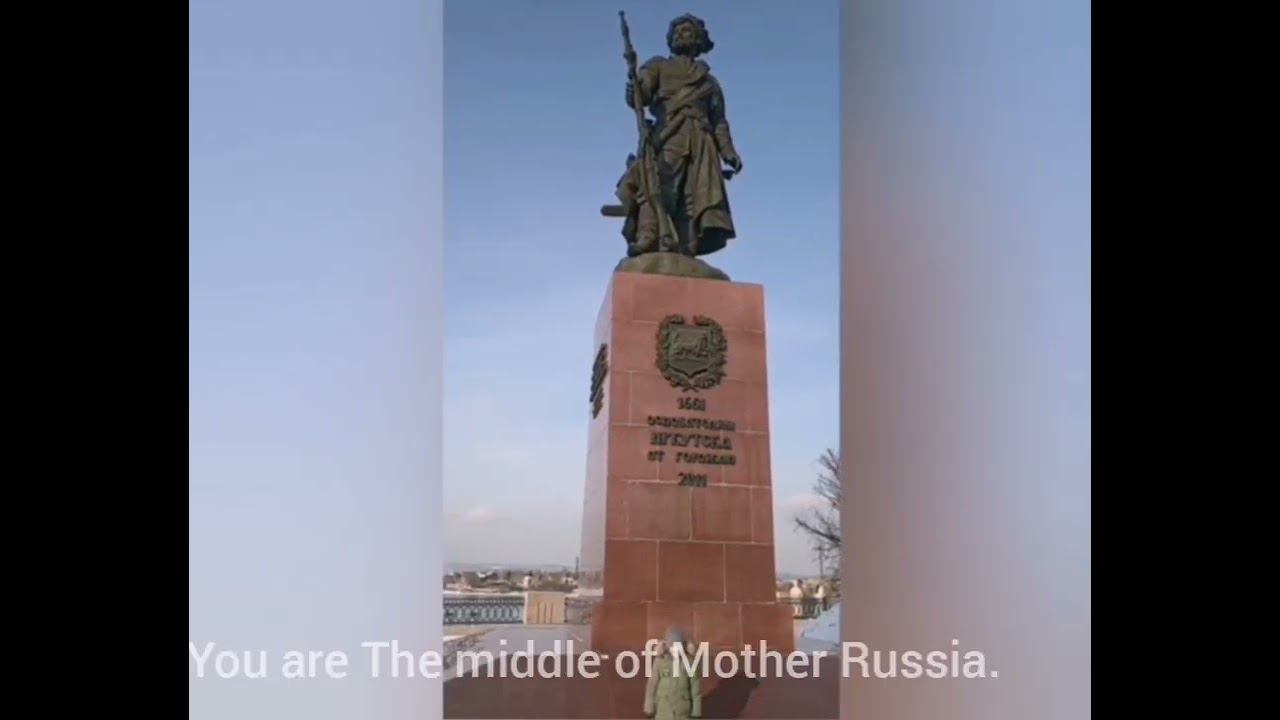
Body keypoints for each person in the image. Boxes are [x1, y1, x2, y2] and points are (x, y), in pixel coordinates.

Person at [617, 14, 742, 258]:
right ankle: (648, 235)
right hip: (669, 134)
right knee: (657, 186)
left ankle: (686, 246)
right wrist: (634, 90)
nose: (679, 34)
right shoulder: (658, 66)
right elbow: (641, 94)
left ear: (698, 40)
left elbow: (719, 121)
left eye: (686, 31)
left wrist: (728, 152)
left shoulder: (709, 82)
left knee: (694, 195)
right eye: (676, 31)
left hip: (702, 142)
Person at [643, 628, 702, 720]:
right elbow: (652, 685)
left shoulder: (689, 663)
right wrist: (649, 709)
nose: (675, 649)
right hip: (663, 712)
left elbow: (695, 689)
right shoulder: (660, 661)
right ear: (667, 646)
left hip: (683, 713)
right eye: (672, 645)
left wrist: (696, 713)